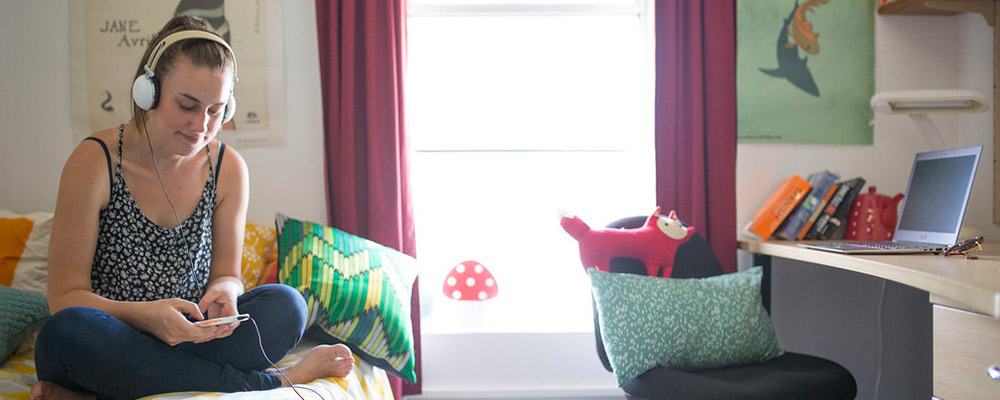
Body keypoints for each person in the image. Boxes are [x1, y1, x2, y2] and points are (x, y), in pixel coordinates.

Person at [32, 16, 353, 400]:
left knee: (288, 306)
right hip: (111, 337)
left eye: (216, 111)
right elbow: (64, 297)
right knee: (64, 333)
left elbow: (227, 275)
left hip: (192, 339)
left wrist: (225, 293)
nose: (201, 125)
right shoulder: (94, 161)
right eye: (187, 105)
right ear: (148, 91)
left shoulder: (227, 167)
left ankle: (108, 392)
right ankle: (274, 382)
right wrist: (146, 316)